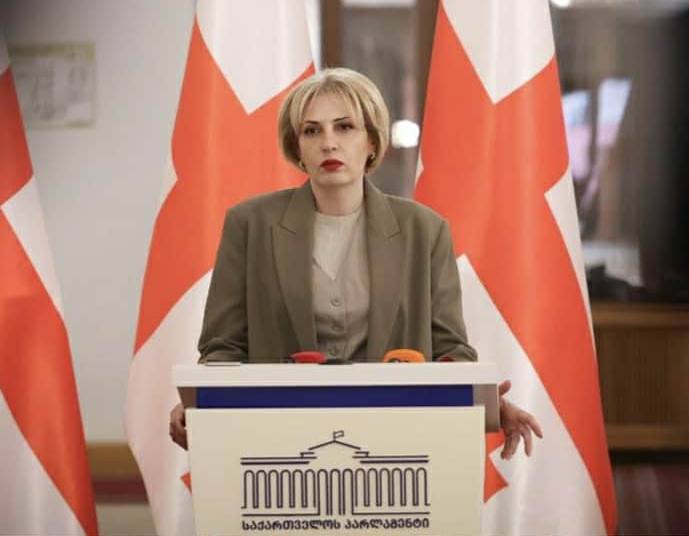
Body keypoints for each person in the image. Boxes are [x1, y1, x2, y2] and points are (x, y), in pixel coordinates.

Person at [169, 68, 542, 458]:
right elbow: (223, 347)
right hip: (280, 441)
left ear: (372, 142)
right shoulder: (249, 224)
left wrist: (487, 402)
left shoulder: (424, 230)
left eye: (345, 127)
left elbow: (450, 350)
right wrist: (199, 402)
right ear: (297, 147)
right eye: (312, 131)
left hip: (395, 442)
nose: (328, 143)